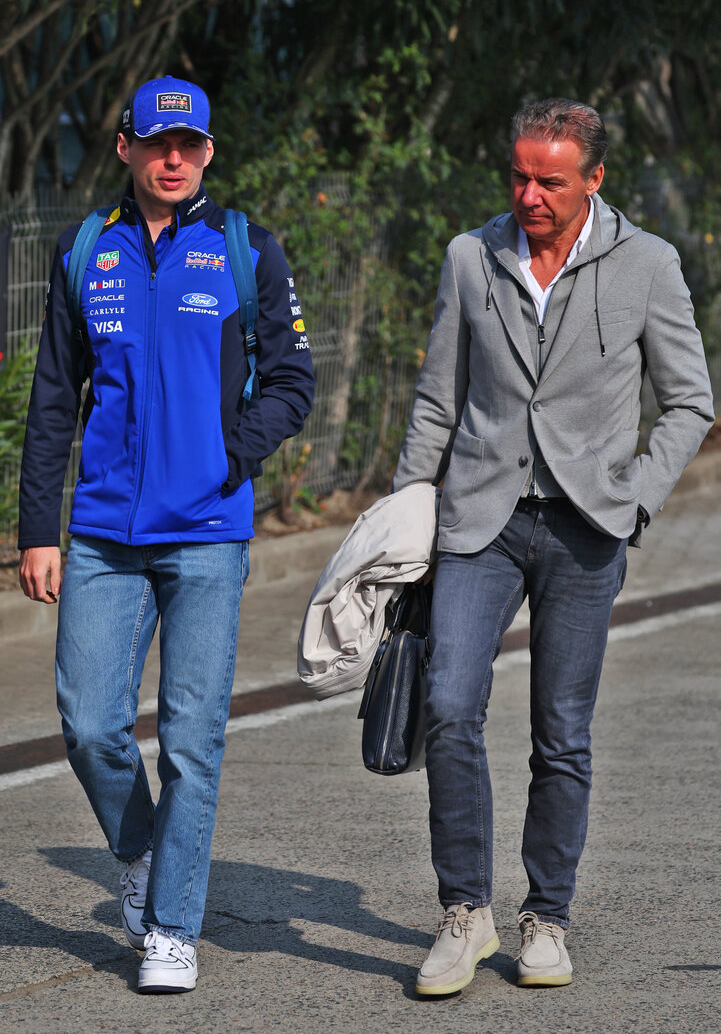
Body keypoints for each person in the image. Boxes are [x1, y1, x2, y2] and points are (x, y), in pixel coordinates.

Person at [391, 98, 714, 994]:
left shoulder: (647, 262)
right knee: (448, 705)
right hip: (479, 522)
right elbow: (437, 398)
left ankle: (546, 919)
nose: (529, 195)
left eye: (550, 181)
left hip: (585, 528)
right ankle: (464, 913)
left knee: (560, 734)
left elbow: (690, 401)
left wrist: (634, 500)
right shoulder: (470, 257)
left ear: (594, 179)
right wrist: (405, 513)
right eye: (518, 176)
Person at [18, 75, 314, 994]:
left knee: (191, 741)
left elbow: (293, 380)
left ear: (209, 151)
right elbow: (54, 396)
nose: (173, 159)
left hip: (207, 533)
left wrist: (233, 454)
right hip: (102, 531)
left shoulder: (244, 250)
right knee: (89, 725)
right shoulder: (85, 249)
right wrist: (37, 529)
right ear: (127, 149)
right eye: (157, 144)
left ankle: (172, 929)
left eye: (189, 145)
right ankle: (144, 856)